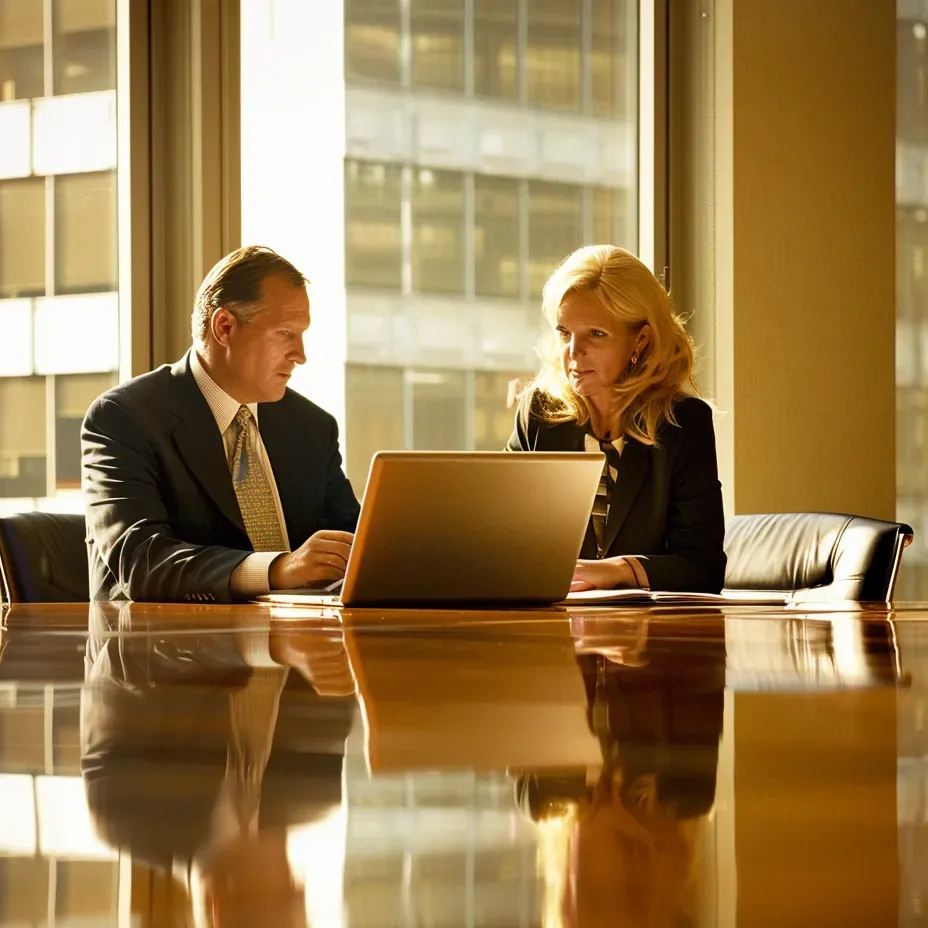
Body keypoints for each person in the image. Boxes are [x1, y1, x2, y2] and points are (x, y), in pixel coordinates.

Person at [82, 246, 360, 603]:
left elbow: (359, 546)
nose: (300, 355)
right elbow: (141, 561)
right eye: (285, 334)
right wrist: (277, 569)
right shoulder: (123, 418)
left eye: (301, 335)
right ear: (224, 327)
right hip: (167, 636)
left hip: (302, 633)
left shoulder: (312, 427)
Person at [507, 245, 726, 593]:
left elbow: (703, 567)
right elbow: (503, 540)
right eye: (564, 333)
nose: (573, 352)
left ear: (640, 341)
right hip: (551, 619)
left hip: (645, 626)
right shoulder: (538, 414)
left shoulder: (684, 423)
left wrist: (620, 570)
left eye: (596, 334)